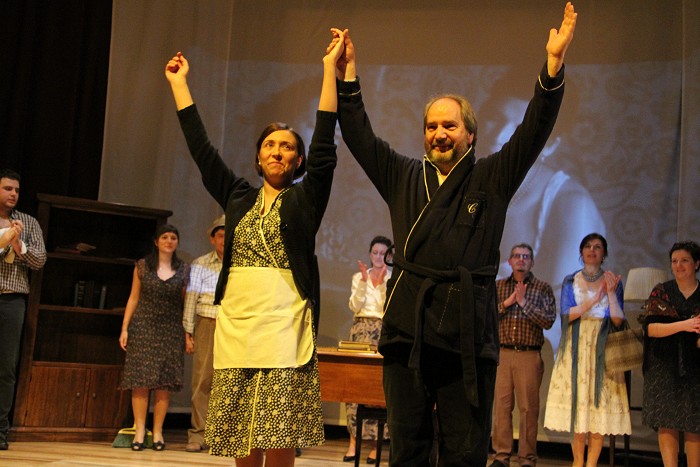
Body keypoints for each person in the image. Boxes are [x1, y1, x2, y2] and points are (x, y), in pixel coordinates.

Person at [332, 3, 577, 465]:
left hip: (468, 333)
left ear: (471, 135)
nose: (439, 133)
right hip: (408, 331)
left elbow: (533, 131)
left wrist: (552, 66)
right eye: (431, 126)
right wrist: (348, 76)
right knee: (407, 449)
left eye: (449, 125)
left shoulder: (492, 178)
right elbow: (360, 136)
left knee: (465, 452)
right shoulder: (403, 176)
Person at [164, 27, 344, 466]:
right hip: (238, 323)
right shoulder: (238, 196)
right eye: (270, 145)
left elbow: (325, 140)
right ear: (259, 156)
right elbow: (202, 151)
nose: (278, 152)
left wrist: (329, 71)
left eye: (287, 147)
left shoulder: (306, 197)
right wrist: (179, 86)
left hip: (285, 323)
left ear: (298, 160)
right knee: (240, 430)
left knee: (277, 428)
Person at [543, 233, 631, 467]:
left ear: (604, 254)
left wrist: (609, 293)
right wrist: (594, 299)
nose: (592, 250)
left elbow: (618, 320)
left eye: (598, 247)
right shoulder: (571, 280)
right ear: (581, 253)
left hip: (602, 350)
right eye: (588, 246)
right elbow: (566, 315)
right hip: (576, 349)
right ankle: (577, 462)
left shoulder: (612, 281)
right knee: (578, 410)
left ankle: (591, 464)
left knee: (597, 411)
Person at [118, 224, 189, 452]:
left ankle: (158, 431)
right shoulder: (142, 266)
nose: (169, 241)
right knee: (140, 381)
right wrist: (125, 328)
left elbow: (186, 303)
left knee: (163, 383)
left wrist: (188, 333)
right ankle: (140, 431)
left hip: (171, 329)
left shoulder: (184, 270)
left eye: (173, 238)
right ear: (156, 241)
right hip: (144, 327)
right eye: (165, 237)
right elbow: (133, 298)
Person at [490, 243, 556, 467]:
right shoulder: (498, 286)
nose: (521, 260)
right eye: (517, 256)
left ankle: (527, 458)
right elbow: (487, 316)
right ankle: (501, 456)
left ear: (532, 262)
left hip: (528, 354)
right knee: (501, 407)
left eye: (526, 257)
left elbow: (548, 320)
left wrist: (524, 304)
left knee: (528, 409)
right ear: (510, 261)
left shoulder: (542, 288)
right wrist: (508, 303)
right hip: (503, 353)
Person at [641, 240, 700, 467]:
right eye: (674, 261)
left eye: (684, 260)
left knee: (694, 422)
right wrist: (685, 325)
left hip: (694, 365)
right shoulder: (662, 291)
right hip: (663, 364)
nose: (678, 266)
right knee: (667, 420)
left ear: (696, 264)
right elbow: (650, 329)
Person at [0, 169, 47, 451]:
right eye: (7, 188)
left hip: (12, 301)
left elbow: (39, 261)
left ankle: (0, 432)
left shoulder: (27, 222)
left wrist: (18, 244)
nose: (13, 194)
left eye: (16, 190)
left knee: (5, 368)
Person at [344, 235, 392, 464]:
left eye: (383, 253)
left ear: (389, 256)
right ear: (370, 253)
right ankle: (353, 443)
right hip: (360, 330)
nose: (378, 257)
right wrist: (364, 282)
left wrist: (381, 284)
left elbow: (386, 308)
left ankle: (375, 445)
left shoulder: (391, 278)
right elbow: (354, 305)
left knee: (377, 390)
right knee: (354, 387)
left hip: (382, 332)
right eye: (375, 252)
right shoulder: (358, 277)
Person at [182, 214, 225, 453]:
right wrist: (188, 332)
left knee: (227, 381)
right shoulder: (200, 264)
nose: (224, 240)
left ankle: (221, 435)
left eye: (229, 236)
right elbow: (191, 299)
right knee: (202, 380)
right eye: (220, 236)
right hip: (207, 323)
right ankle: (198, 433)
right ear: (212, 239)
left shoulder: (240, 264)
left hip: (234, 326)